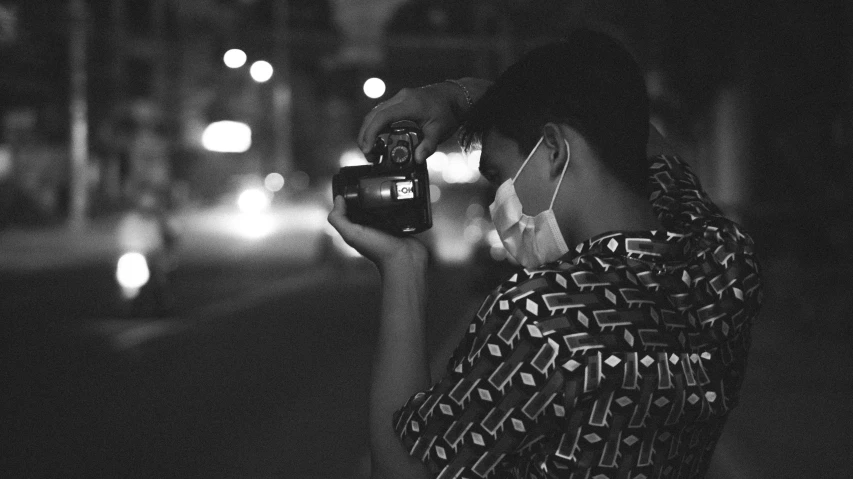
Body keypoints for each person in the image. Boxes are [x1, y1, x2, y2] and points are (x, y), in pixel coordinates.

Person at [328, 30, 762, 479]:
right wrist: (465, 99)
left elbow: (402, 472)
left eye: (499, 174)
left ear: (553, 150)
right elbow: (630, 130)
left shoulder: (542, 318)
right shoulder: (723, 259)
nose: (499, 198)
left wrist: (402, 267)